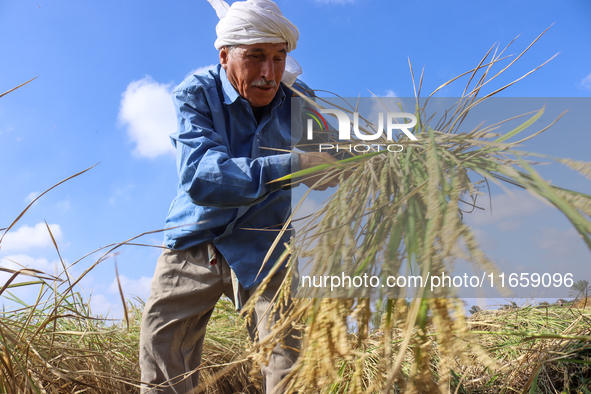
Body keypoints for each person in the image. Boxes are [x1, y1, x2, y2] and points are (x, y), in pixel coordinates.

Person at [139, 1, 338, 393]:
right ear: (225, 55)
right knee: (162, 350)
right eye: (256, 57)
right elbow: (202, 177)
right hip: (197, 239)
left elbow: (326, 157)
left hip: (266, 243)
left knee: (289, 356)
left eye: (279, 58)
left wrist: (341, 162)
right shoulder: (197, 94)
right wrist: (295, 165)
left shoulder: (300, 100)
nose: (269, 73)